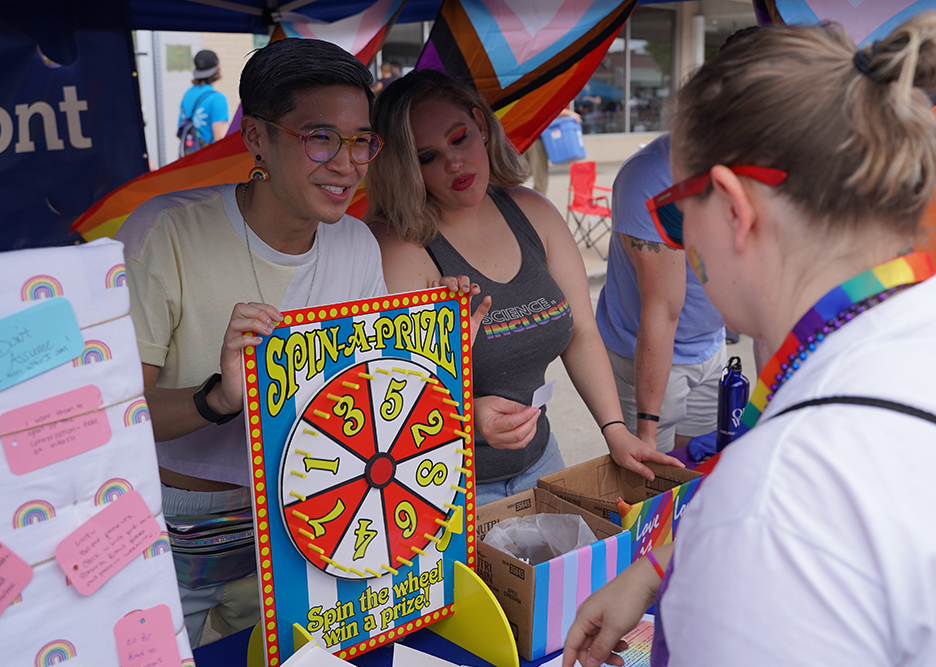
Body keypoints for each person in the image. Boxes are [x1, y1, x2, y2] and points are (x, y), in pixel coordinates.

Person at [564, 15, 936, 667]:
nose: (679, 237)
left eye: (677, 209)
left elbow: (772, 511)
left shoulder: (775, 502)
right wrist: (654, 564)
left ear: (734, 209)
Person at [117, 38, 389, 648]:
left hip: (316, 519)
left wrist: (437, 356)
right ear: (257, 138)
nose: (347, 164)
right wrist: (217, 397)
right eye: (319, 137)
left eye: (361, 140)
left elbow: (369, 402)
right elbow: (119, 415)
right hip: (190, 525)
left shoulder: (358, 245)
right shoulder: (166, 233)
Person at [367, 69, 681, 505]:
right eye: (427, 157)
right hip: (444, 487)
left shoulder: (532, 211)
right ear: (404, 167)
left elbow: (582, 334)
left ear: (480, 125)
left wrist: (615, 431)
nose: (454, 162)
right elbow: (387, 394)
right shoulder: (399, 246)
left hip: (541, 463)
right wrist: (465, 417)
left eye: (459, 138)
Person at [596, 133, 726, 454]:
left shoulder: (767, 160)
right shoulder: (653, 176)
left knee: (699, 468)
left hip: (710, 346)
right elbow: (663, 310)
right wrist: (647, 429)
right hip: (648, 356)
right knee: (653, 482)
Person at [179, 49, 229, 151]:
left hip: (189, 159)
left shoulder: (187, 94)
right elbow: (220, 137)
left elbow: (180, 130)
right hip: (209, 161)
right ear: (217, 67)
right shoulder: (218, 99)